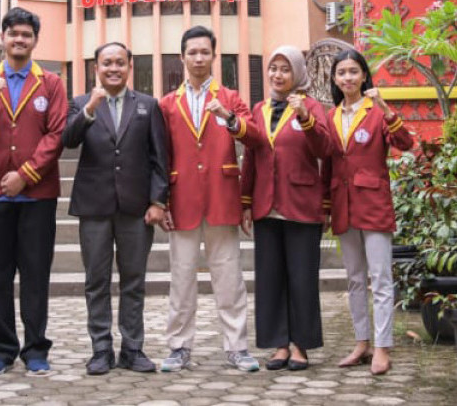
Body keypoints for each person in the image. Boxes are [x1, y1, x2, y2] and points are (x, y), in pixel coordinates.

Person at [0, 7, 67, 377]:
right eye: (13, 34)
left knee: (36, 275)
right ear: (2, 38)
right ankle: (1, 349)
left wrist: (26, 173)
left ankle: (36, 348)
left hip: (37, 195)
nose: (19, 40)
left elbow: (56, 136)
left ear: (35, 40)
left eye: (26, 34)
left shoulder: (51, 83)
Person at [158, 26, 261, 373]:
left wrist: (229, 119)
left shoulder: (230, 98)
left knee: (229, 277)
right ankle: (178, 347)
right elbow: (160, 157)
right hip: (182, 199)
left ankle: (237, 346)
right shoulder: (168, 104)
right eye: (192, 52)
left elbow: (256, 138)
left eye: (205, 52)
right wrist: (162, 202)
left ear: (214, 56)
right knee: (181, 278)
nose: (199, 58)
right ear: (182, 57)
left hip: (223, 198)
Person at [62, 42, 169, 375]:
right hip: (94, 207)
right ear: (97, 68)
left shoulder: (148, 105)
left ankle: (133, 348)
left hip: (136, 209)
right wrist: (90, 109)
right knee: (96, 281)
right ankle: (101, 349)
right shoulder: (81, 103)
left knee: (133, 280)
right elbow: (69, 140)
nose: (113, 68)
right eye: (107, 63)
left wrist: (157, 201)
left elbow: (159, 159)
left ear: (130, 66)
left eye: (119, 63)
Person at [240, 45, 332, 371]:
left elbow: (325, 147)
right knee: (270, 279)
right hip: (267, 207)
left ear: (297, 74)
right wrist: (246, 202)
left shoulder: (311, 106)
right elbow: (251, 154)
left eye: (285, 69)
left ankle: (301, 346)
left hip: (302, 206)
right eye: (273, 69)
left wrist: (305, 118)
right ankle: (278, 344)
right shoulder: (260, 108)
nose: (278, 75)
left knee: (302, 278)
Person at [323, 49, 413, 376]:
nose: (347, 77)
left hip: (374, 204)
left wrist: (387, 109)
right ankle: (361, 342)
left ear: (364, 76)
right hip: (343, 206)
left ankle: (382, 347)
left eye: (353, 71)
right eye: (341, 72)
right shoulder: (330, 116)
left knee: (381, 278)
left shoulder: (376, 112)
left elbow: (404, 142)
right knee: (355, 279)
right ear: (334, 79)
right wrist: (325, 207)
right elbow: (329, 163)